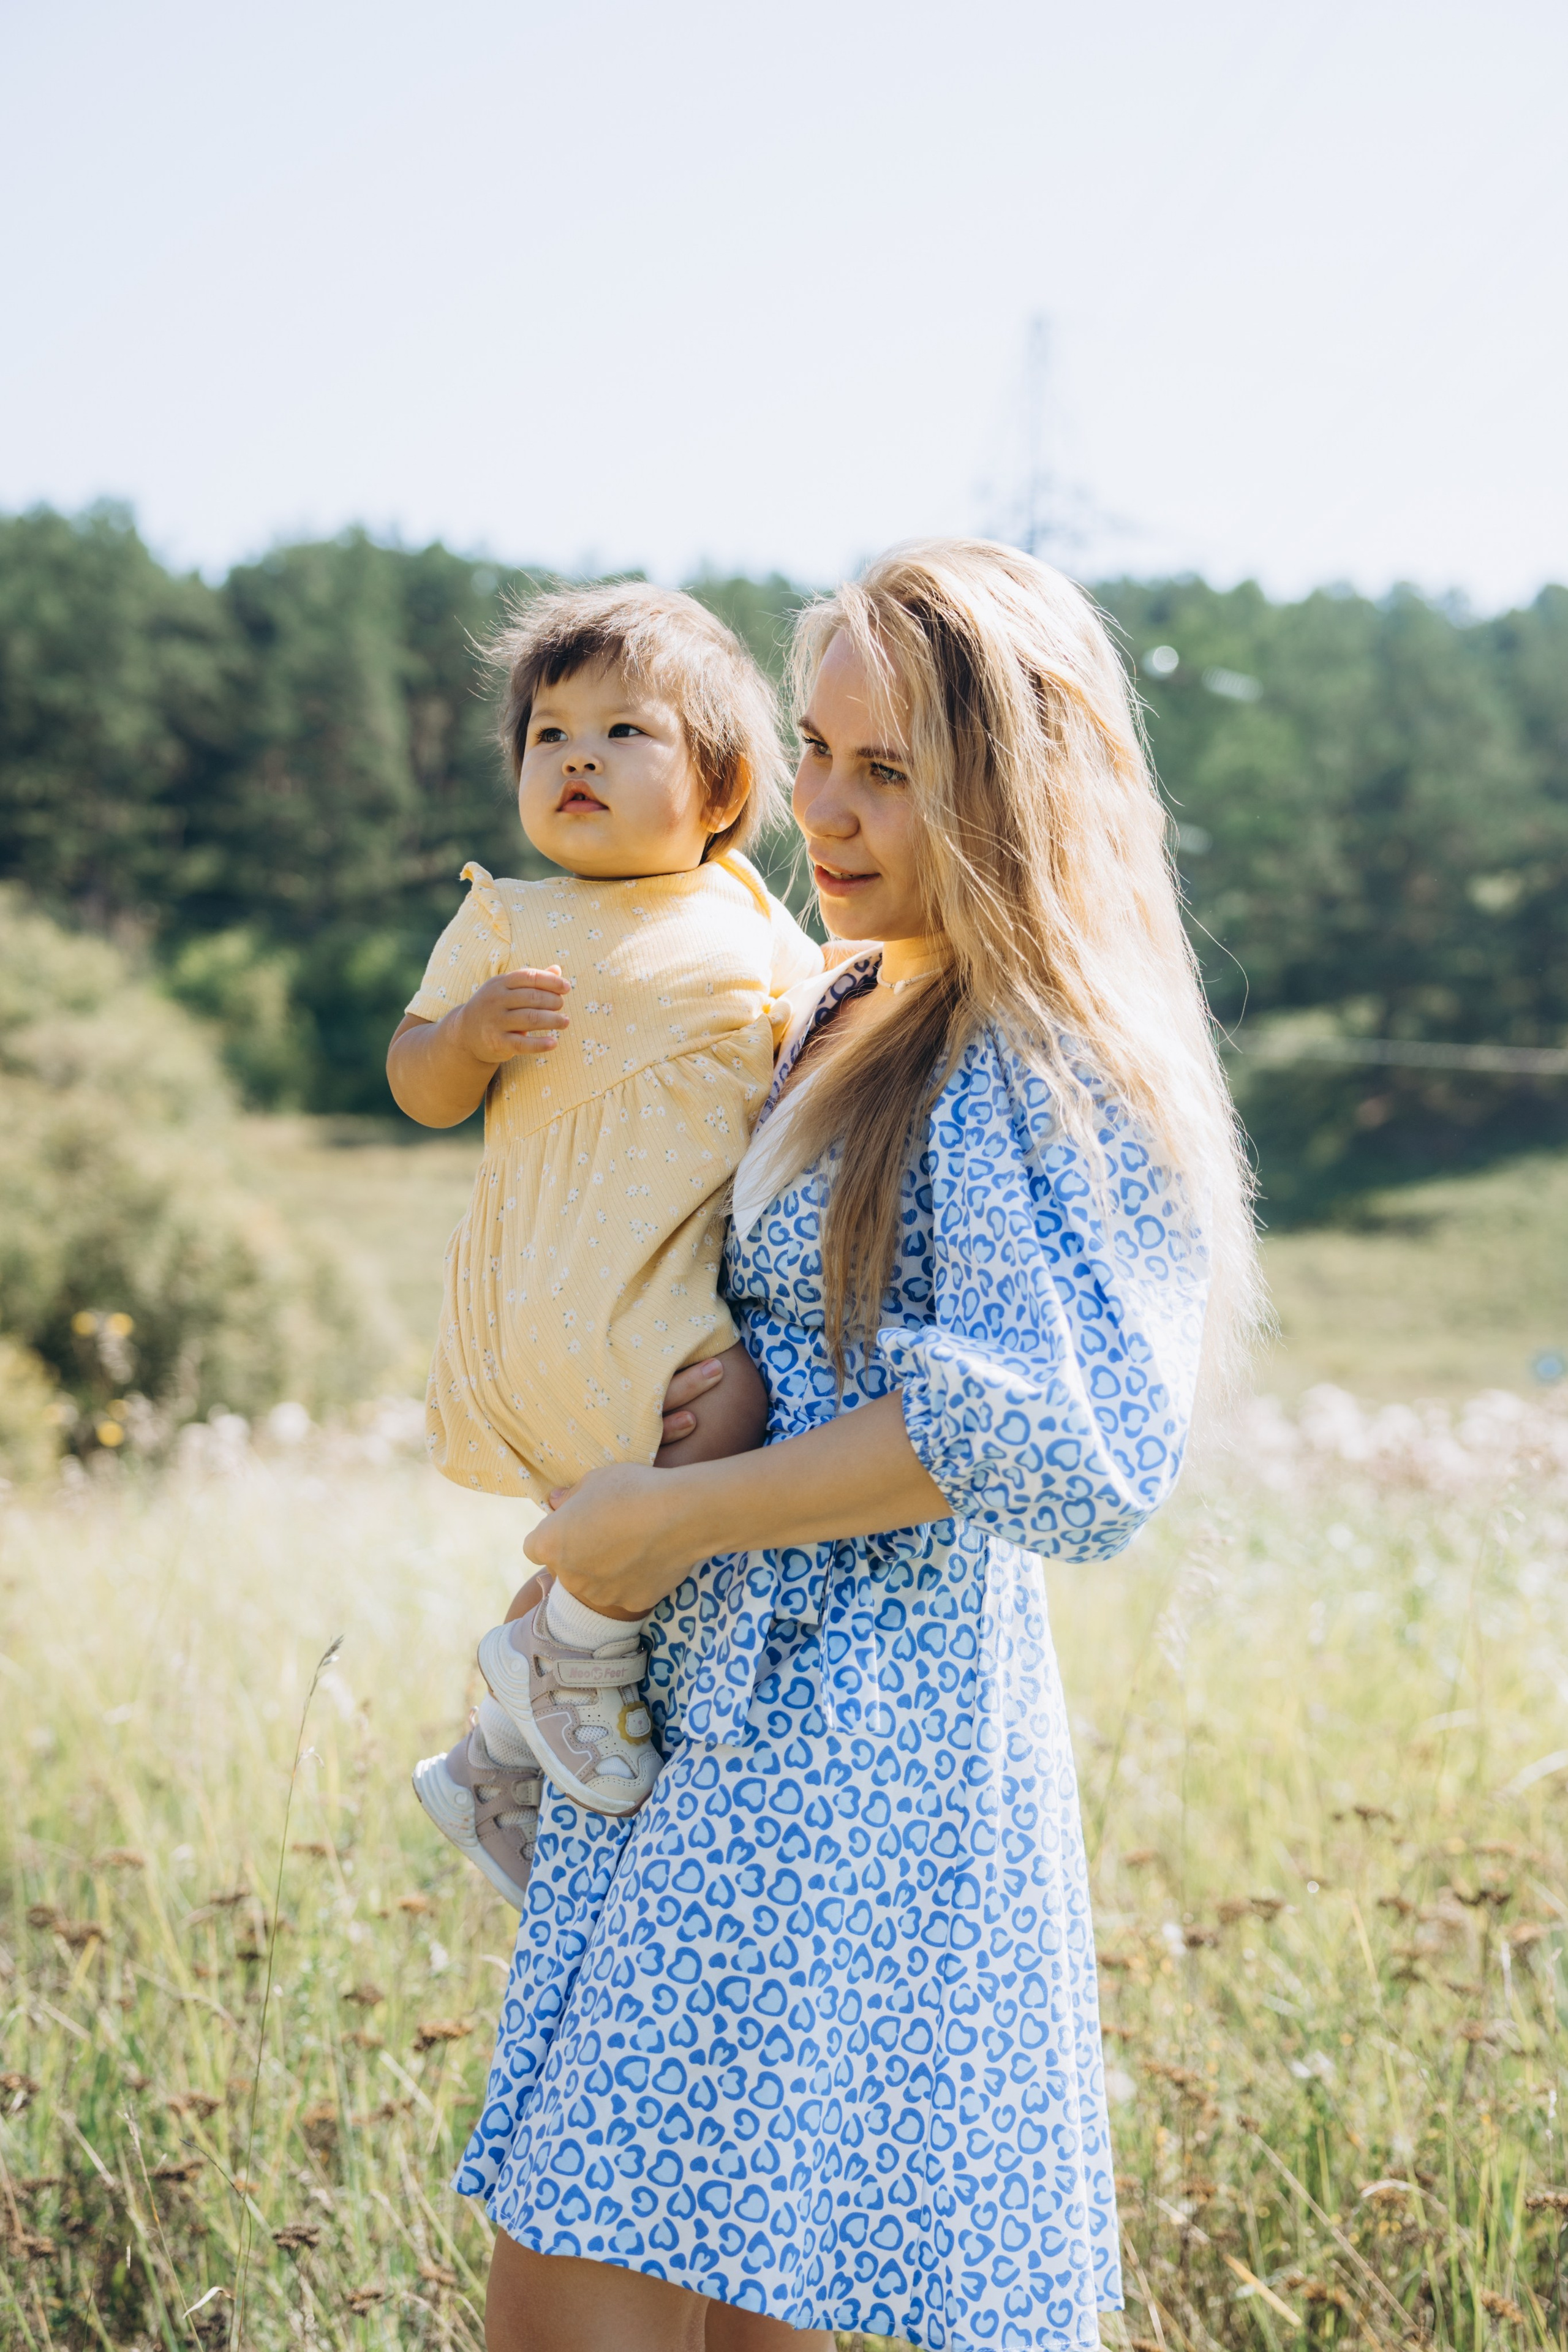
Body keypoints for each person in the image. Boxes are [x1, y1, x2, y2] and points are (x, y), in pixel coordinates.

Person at [459, 539, 1260, 2352]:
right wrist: (726, 1390)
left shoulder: (1035, 1049)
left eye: (886, 769)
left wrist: (675, 1520)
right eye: (815, 751)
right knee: (708, 2286)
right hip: (736, 1722)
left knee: (624, 2285)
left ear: (1014, 789)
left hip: (851, 1750)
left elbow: (1049, 1438)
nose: (820, 804)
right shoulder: (854, 992)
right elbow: (834, 1332)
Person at [387, 583, 821, 1899]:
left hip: (637, 1296)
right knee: (728, 1412)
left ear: (722, 784)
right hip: (558, 1304)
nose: (574, 756)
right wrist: (460, 1040)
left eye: (624, 731)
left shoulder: (755, 931)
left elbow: (822, 1064)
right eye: (548, 735)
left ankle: (496, 1750)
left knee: (633, 1496)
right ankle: (570, 1656)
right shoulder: (508, 916)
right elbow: (415, 1081)